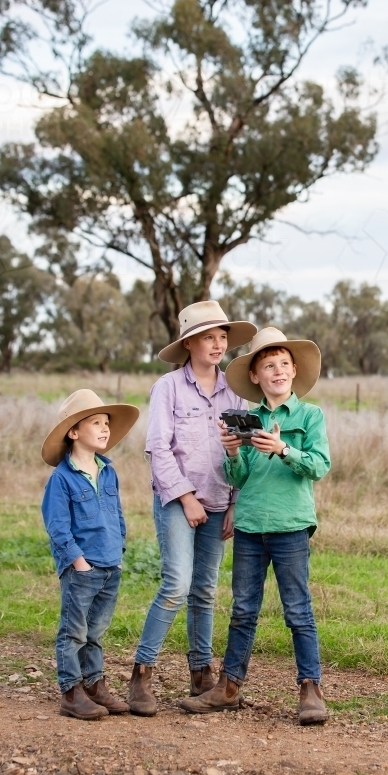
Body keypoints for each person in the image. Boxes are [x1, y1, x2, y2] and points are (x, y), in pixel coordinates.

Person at [180, 326, 331, 725]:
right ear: (255, 376)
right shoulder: (248, 419)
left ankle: (310, 688)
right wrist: (232, 453)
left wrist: (284, 449)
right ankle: (229, 687)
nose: (277, 371)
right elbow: (239, 478)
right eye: (268, 366)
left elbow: (319, 466)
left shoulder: (310, 416)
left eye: (283, 364)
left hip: (291, 526)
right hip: (249, 526)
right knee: (243, 610)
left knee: (298, 610)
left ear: (294, 370)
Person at [128, 301, 256, 716]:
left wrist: (235, 503)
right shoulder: (168, 387)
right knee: (176, 585)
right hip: (176, 500)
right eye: (209, 337)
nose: (218, 344)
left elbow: (243, 451)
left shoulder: (235, 390)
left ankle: (201, 674)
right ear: (189, 343)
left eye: (222, 337)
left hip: (220, 500)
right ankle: (141, 674)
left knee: (204, 590)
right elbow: (158, 448)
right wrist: (184, 497)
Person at [41, 389, 140, 721]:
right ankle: (71, 692)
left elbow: (117, 515)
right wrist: (77, 561)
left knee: (96, 630)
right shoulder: (62, 479)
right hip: (82, 567)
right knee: (74, 630)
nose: (104, 429)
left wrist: (120, 552)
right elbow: (57, 526)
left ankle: (94, 684)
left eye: (106, 423)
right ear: (74, 432)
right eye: (95, 422)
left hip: (111, 563)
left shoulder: (108, 471)